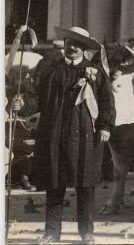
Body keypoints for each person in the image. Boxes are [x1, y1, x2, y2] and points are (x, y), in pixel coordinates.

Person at [33, 26, 115, 244]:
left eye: (78, 44)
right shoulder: (52, 70)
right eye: (70, 42)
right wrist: (22, 103)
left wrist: (105, 126)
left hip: (85, 134)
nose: (73, 47)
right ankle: (51, 233)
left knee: (85, 185)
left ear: (84, 48)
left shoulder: (95, 72)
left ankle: (87, 232)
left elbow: (107, 102)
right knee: (54, 184)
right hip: (56, 133)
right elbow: (39, 97)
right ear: (66, 44)